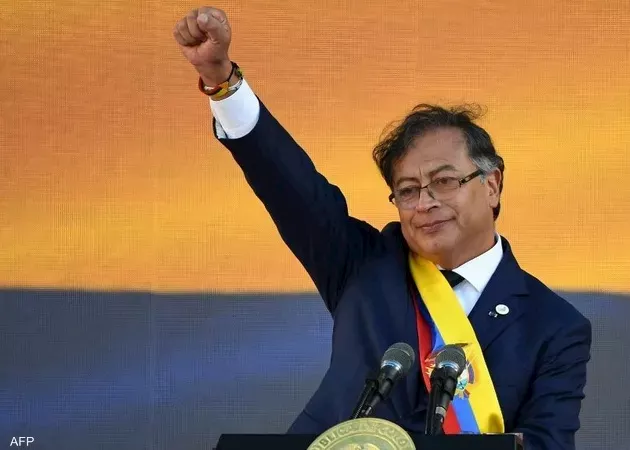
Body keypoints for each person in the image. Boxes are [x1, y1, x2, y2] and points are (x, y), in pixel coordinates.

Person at [173, 7, 592, 449]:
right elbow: (291, 187)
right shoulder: (363, 265)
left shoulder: (554, 326)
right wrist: (223, 82)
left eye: (444, 182)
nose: (425, 202)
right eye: (407, 190)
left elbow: (547, 443)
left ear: (492, 185)